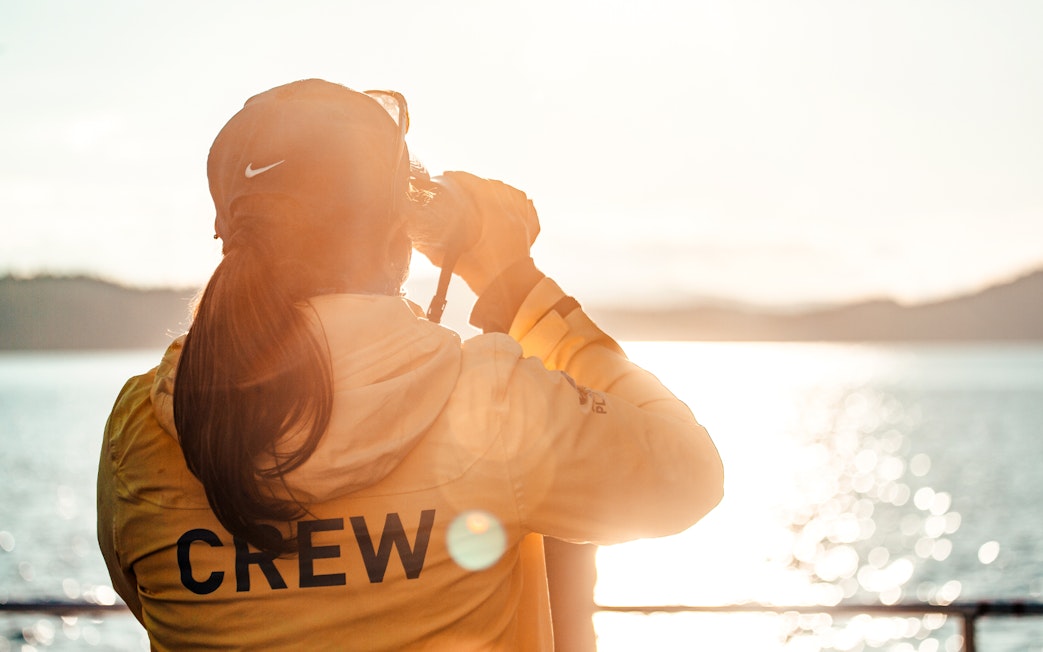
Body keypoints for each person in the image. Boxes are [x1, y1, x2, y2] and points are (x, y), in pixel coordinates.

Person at [96, 78, 724, 651]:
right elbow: (689, 477)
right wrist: (518, 286)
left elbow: (145, 599)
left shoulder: (143, 428)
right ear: (397, 232)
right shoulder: (493, 405)